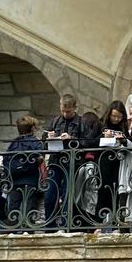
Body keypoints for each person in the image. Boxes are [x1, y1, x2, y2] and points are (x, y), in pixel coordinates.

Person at [43, 94, 84, 229]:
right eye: (63, 111)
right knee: (50, 194)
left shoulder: (81, 122)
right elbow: (43, 142)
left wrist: (72, 139)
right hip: (55, 161)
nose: (65, 114)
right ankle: (50, 226)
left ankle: (67, 225)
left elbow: (87, 142)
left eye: (68, 111)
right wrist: (48, 136)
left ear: (74, 108)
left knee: (68, 195)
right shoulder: (55, 121)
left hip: (72, 162)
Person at [3, 116, 44, 230]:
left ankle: (12, 230)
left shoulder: (13, 143)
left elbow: (6, 159)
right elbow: (40, 156)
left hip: (15, 179)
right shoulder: (35, 142)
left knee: (13, 207)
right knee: (30, 206)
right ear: (32, 128)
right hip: (30, 179)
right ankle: (28, 230)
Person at [100, 101, 131, 228]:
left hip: (119, 162)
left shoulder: (123, 126)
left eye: (119, 116)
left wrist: (123, 139)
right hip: (104, 162)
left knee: (117, 191)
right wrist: (104, 137)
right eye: (114, 116)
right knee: (103, 191)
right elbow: (91, 141)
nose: (116, 119)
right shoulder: (101, 124)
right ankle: (100, 223)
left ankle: (114, 223)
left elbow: (128, 142)